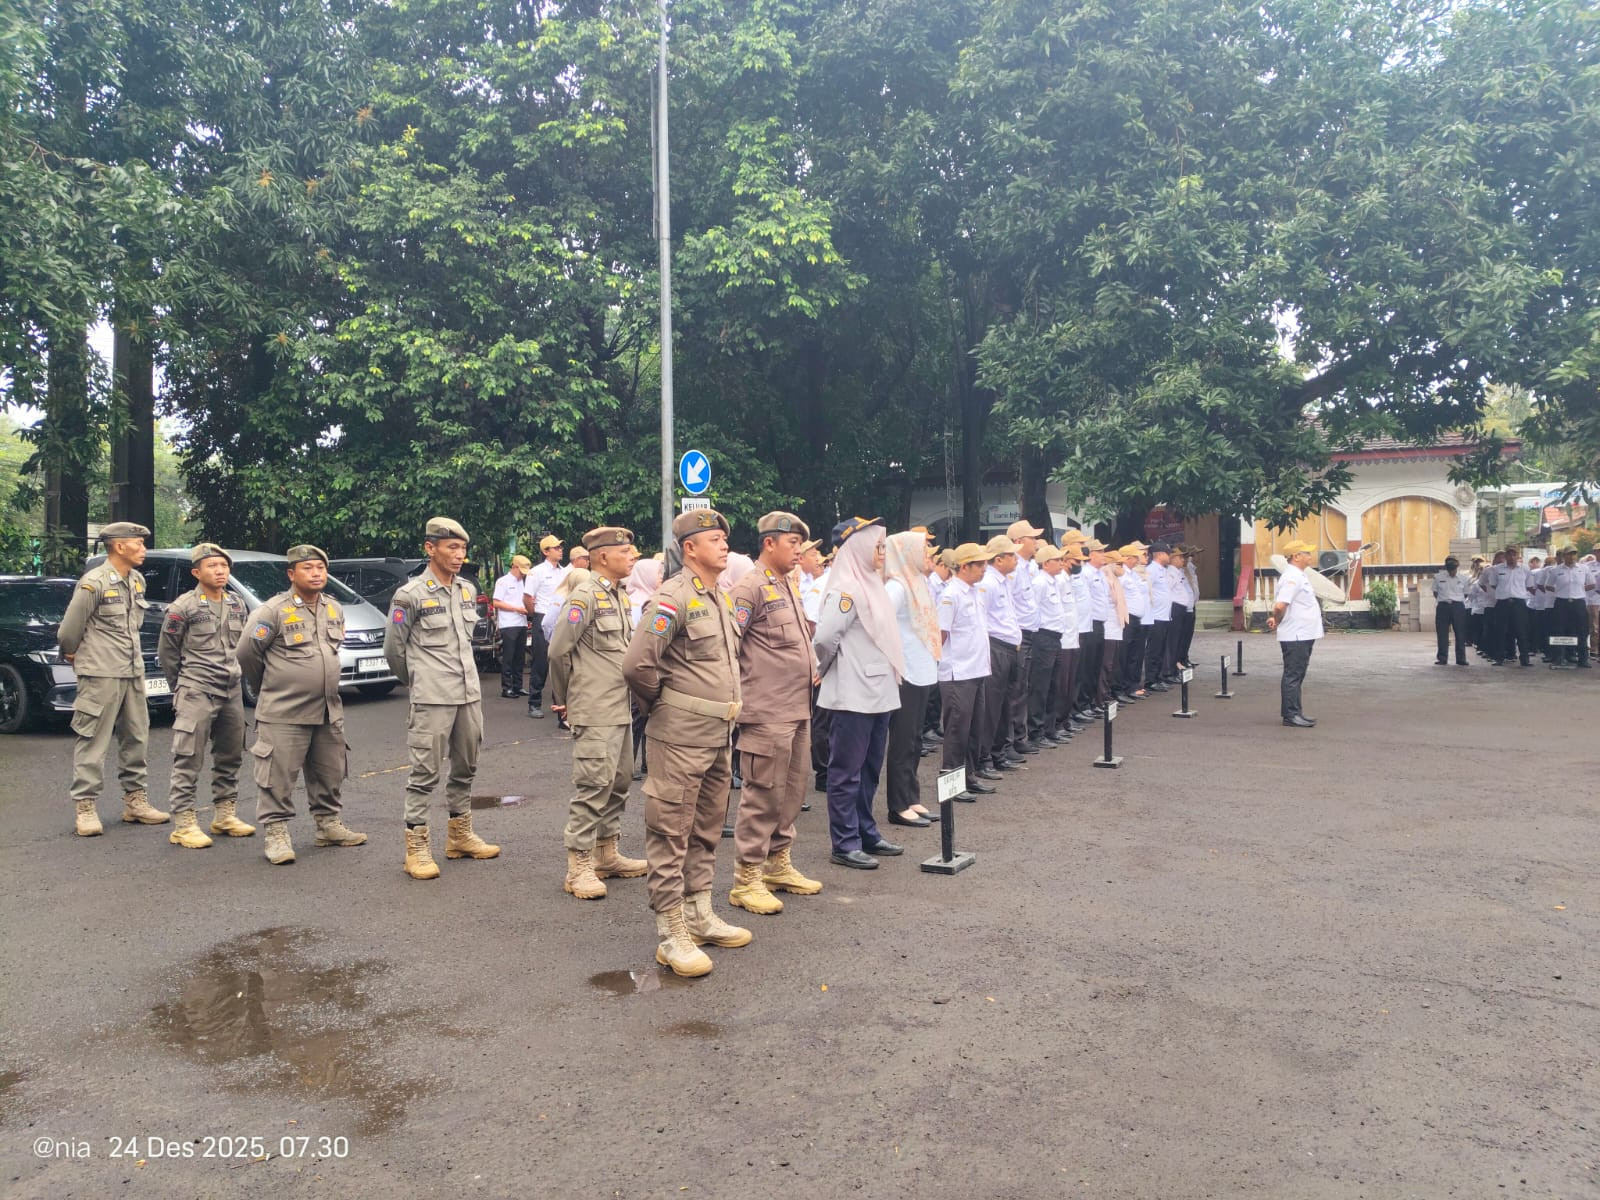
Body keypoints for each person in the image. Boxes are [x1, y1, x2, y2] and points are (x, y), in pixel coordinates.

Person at [622, 508, 750, 978]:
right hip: (679, 735)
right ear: (689, 548)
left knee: (707, 829)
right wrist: (665, 705)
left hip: (719, 735)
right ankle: (671, 930)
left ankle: (699, 912)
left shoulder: (718, 596)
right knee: (670, 831)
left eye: (724, 539)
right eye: (714, 539)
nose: (724, 546)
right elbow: (637, 666)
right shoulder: (673, 598)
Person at [237, 545, 367, 864]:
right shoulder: (273, 610)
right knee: (278, 775)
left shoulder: (333, 608)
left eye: (321, 568)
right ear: (291, 574)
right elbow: (246, 653)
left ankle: (328, 825)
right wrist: (269, 687)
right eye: (308, 568)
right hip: (284, 710)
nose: (316, 573)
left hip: (327, 707)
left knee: (330, 770)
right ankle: (277, 833)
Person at [385, 518, 498, 880]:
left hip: (468, 694)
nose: (459, 554)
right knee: (424, 772)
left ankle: (459, 836)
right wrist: (419, 681)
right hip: (432, 697)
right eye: (451, 547)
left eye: (462, 548)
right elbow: (394, 650)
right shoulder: (411, 594)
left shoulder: (466, 589)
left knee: (466, 766)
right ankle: (416, 848)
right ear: (430, 548)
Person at [726, 512, 824, 915]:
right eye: (792, 544)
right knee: (762, 793)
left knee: (792, 790)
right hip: (766, 709)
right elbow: (729, 645)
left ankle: (777, 863)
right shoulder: (750, 587)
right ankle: (746, 879)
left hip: (796, 706)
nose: (799, 550)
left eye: (800, 544)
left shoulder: (787, 583)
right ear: (770, 544)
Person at [548, 526, 649, 900]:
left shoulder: (619, 595)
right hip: (593, 706)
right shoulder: (586, 595)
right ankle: (579, 867)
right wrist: (565, 699)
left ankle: (607, 855)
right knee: (593, 785)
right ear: (603, 556)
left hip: (619, 704)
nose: (633, 556)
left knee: (619, 782)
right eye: (626, 551)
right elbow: (558, 651)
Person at [58, 520, 167, 836]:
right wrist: (73, 652)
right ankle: (86, 806)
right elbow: (68, 631)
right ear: (120, 546)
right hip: (101, 672)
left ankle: (135, 801)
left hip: (132, 670)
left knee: (137, 736)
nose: (144, 549)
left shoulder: (136, 581)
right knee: (93, 739)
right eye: (139, 544)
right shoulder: (94, 582)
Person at [813, 517, 904, 869]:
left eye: (883, 547)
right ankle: (845, 841)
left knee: (870, 768)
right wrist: (827, 669)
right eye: (877, 547)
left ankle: (867, 831)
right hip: (852, 691)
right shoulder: (847, 590)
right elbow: (823, 639)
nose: (881, 553)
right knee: (846, 771)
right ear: (859, 549)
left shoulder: (873, 585)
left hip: (879, 689)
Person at [157, 543, 255, 848]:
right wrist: (182, 686)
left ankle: (224, 814)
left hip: (231, 688)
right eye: (212, 566)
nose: (220, 571)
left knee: (231, 753)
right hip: (197, 689)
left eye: (224, 566)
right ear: (197, 572)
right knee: (189, 756)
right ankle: (184, 824)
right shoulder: (183, 606)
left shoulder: (237, 603)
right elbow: (167, 652)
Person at [883, 529, 941, 828]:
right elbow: (880, 624)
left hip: (923, 669)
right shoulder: (896, 587)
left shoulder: (918, 582)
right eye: (924, 549)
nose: (929, 554)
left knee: (916, 738)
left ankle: (912, 796)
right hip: (906, 672)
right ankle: (897, 804)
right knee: (903, 740)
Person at [936, 543, 993, 798]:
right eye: (980, 565)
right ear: (965, 566)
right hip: (958, 672)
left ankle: (969, 775)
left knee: (974, 727)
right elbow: (941, 634)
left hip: (977, 668)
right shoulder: (951, 594)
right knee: (957, 728)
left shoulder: (974, 592)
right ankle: (952, 779)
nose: (984, 569)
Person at [976, 534, 1023, 774]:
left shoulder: (1004, 581)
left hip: (1009, 648)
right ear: (999, 559)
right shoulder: (989, 583)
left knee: (1007, 704)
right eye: (1011, 555)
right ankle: (984, 757)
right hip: (996, 647)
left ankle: (998, 753)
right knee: (992, 706)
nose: (1016, 559)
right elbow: (982, 620)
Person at [1266, 539, 1323, 728]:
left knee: (1298, 674)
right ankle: (1290, 715)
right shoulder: (1293, 577)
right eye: (1306, 552)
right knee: (1293, 674)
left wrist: (1276, 619)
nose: (1310, 556)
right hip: (1296, 635)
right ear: (1296, 556)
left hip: (1302, 633)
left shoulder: (1298, 575)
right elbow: (1281, 604)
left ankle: (1296, 711)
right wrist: (1276, 616)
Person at [1005, 519, 1044, 756]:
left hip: (1029, 633)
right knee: (1015, 690)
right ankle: (1010, 740)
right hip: (1018, 636)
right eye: (1032, 538)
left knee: (1023, 688)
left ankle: (1020, 737)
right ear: (1019, 542)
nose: (1037, 542)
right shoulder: (1013, 569)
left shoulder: (1028, 566)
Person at [522, 534, 568, 717]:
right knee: (540, 661)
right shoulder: (537, 572)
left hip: (561, 617)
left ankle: (561, 703)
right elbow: (527, 597)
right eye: (556, 548)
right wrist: (535, 615)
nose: (560, 550)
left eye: (560, 547)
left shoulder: (564, 572)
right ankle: (534, 702)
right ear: (546, 552)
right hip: (543, 616)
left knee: (562, 661)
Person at [1025, 544, 1065, 747]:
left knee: (1053, 685)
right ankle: (1036, 732)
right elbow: (1034, 609)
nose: (1061, 563)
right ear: (1047, 563)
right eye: (1057, 560)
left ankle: (1049, 728)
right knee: (1040, 686)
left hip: (1056, 637)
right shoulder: (1040, 582)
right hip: (1044, 636)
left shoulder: (1053, 582)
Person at [492, 554, 533, 697]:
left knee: (519, 657)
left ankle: (518, 685)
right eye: (521, 571)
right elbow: (496, 602)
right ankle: (507, 687)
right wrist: (516, 609)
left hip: (521, 622)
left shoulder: (522, 582)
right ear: (514, 567)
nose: (522, 574)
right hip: (509, 624)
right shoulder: (503, 582)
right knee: (508, 657)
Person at [1492, 547, 1532, 666]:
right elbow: (1494, 585)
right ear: (1505, 556)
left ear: (1518, 556)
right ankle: (1499, 658)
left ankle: (1524, 659)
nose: (1511, 557)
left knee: (1521, 631)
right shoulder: (1497, 569)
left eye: (1514, 554)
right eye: (1509, 554)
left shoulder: (1525, 569)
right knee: (1500, 631)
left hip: (1519, 603)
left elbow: (1528, 585)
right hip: (1503, 603)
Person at [1143, 541, 1174, 690]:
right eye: (1168, 553)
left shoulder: (1162, 570)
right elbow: (1147, 591)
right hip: (1155, 616)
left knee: (1161, 649)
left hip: (1164, 616)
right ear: (1160, 554)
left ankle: (1158, 677)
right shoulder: (1152, 570)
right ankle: (1150, 680)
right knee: (1153, 650)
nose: (1170, 556)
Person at [1432, 556, 1469, 666]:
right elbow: (1435, 592)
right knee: (1442, 633)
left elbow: (1466, 593)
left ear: (1457, 567)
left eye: (1453, 569)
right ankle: (1442, 658)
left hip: (1458, 606)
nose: (1452, 571)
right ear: (1446, 568)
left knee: (1460, 633)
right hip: (1443, 606)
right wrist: (1444, 600)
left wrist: (1456, 601)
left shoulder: (1463, 578)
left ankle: (1461, 658)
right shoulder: (1438, 577)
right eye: (1450, 569)